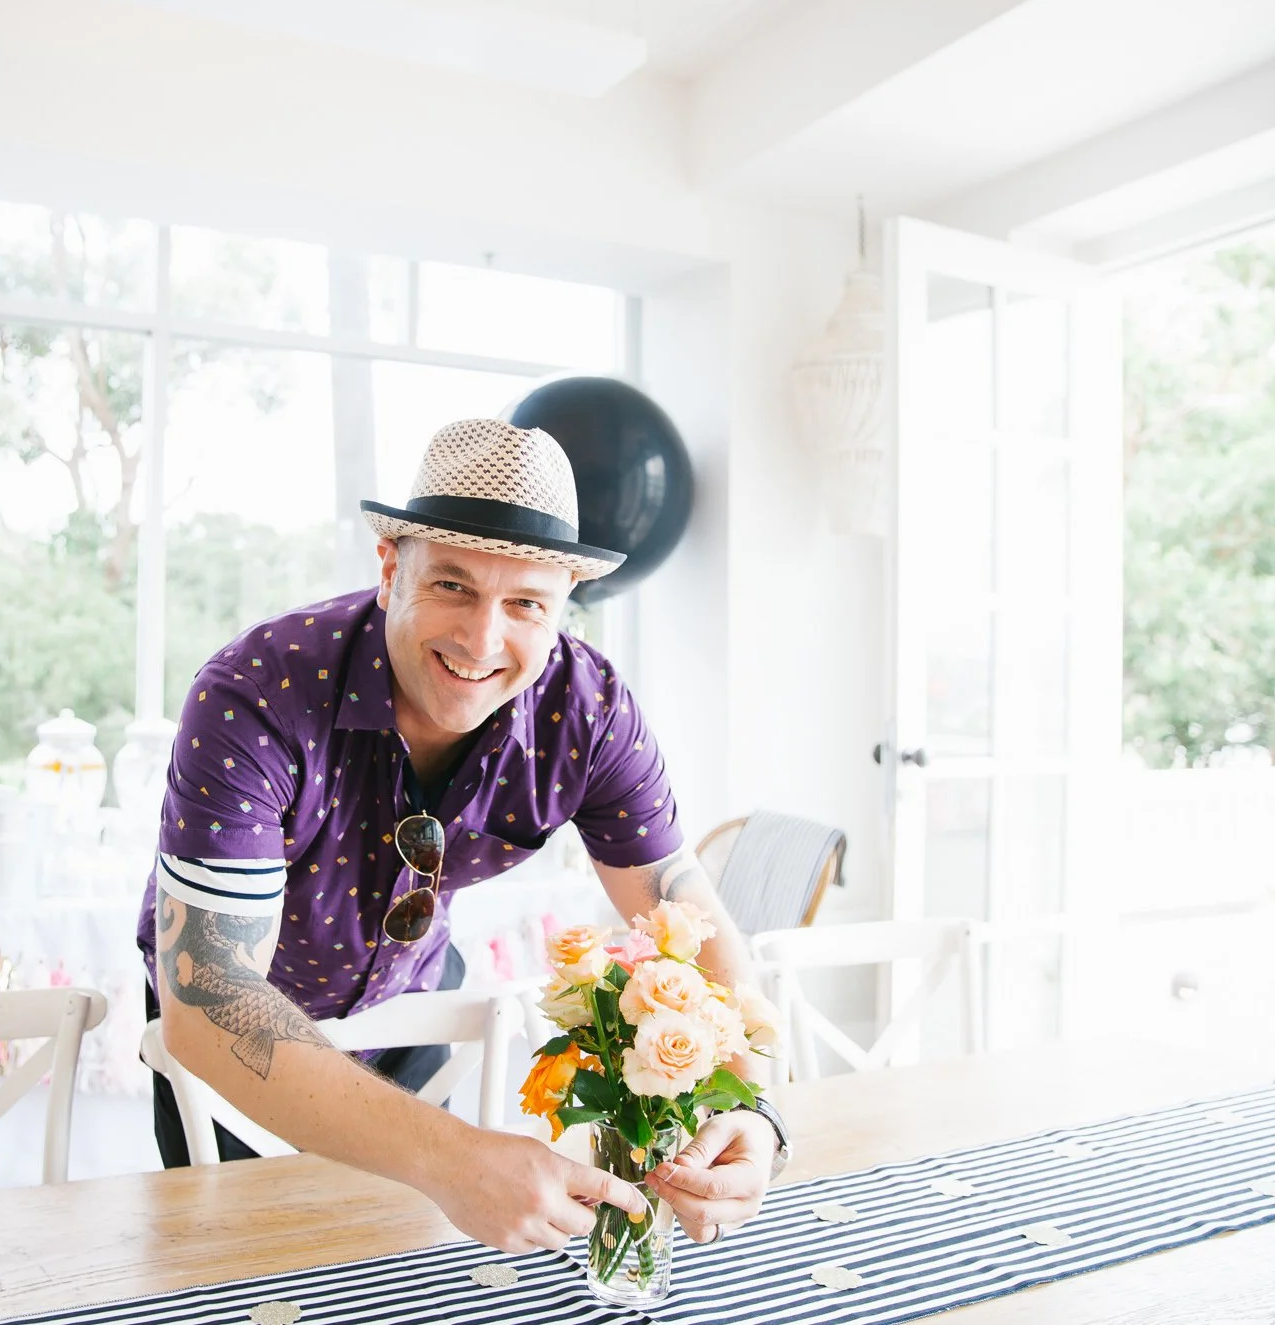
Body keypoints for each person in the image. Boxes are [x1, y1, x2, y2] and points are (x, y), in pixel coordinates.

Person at [137, 418, 788, 1253]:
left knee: (401, 1272)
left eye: (526, 603)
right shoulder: (258, 691)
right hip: (240, 1044)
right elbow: (208, 995)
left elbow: (684, 913)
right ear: (389, 568)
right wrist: (455, 1159)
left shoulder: (589, 712)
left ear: (563, 611)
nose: (482, 641)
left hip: (411, 1003)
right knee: (238, 1271)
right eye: (452, 586)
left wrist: (759, 1106)